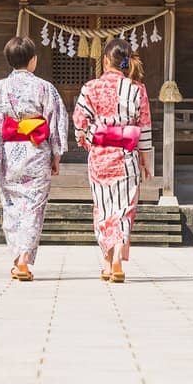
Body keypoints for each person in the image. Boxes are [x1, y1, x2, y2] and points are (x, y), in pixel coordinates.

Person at [0, 35, 67, 281]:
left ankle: (18, 260)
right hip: (36, 152)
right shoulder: (45, 88)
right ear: (33, 61)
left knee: (12, 207)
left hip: (9, 155)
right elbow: (55, 121)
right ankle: (24, 260)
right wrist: (56, 155)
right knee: (34, 208)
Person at [73, 37, 153, 283]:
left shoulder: (90, 87)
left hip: (99, 157)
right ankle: (118, 256)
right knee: (124, 209)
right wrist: (146, 159)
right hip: (126, 156)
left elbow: (79, 121)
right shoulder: (137, 89)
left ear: (105, 60)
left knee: (103, 208)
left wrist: (88, 141)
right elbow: (145, 127)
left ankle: (107, 263)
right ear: (126, 62)